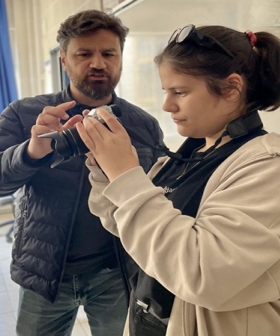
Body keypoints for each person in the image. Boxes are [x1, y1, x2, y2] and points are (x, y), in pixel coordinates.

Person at [76, 24, 280, 336]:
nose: (167, 105)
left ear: (231, 88)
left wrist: (126, 176)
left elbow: (204, 274)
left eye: (180, 92)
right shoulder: (191, 153)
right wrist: (107, 170)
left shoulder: (270, 168)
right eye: (166, 92)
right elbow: (127, 225)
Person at [0, 10, 164, 336]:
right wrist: (32, 152)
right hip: (45, 272)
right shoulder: (26, 114)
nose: (98, 63)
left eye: (108, 53)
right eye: (84, 54)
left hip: (116, 272)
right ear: (64, 60)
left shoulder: (143, 125)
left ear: (120, 58)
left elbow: (155, 194)